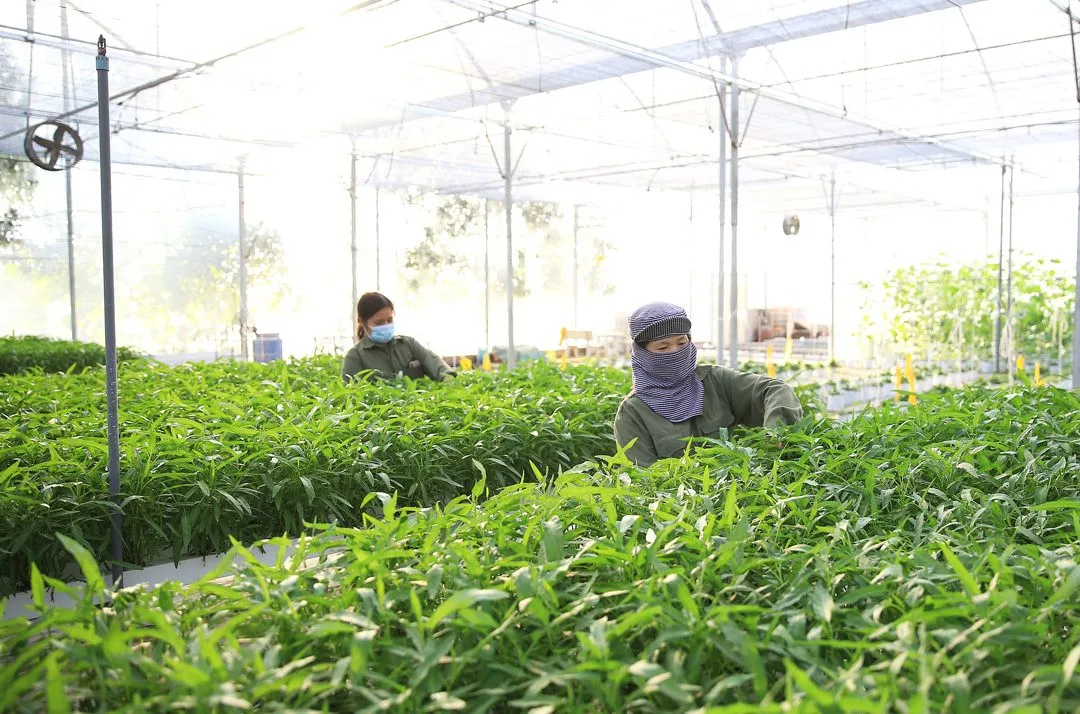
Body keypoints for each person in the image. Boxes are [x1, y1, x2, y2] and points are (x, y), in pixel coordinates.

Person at [614, 301, 803, 467]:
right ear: (642, 353)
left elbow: (775, 390)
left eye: (682, 343)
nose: (675, 352)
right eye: (663, 347)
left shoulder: (715, 381)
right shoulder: (632, 414)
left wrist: (775, 434)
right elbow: (643, 479)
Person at [342, 292, 456, 383]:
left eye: (389, 320)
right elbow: (352, 395)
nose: (386, 325)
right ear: (362, 321)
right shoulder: (355, 357)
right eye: (379, 322)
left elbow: (435, 364)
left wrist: (448, 380)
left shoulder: (408, 344)